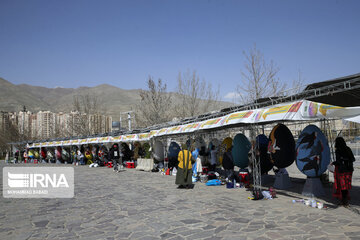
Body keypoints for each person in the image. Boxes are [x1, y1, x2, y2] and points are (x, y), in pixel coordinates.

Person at [331, 137, 355, 206]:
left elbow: (338, 162)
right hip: (349, 170)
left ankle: (344, 201)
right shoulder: (348, 149)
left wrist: (333, 163)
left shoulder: (338, 150)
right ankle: (345, 200)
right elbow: (353, 159)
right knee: (346, 185)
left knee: (342, 186)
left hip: (342, 170)